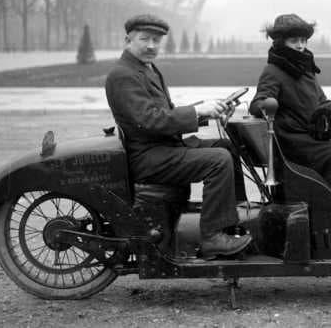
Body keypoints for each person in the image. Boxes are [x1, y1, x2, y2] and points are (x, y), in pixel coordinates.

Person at [105, 13, 251, 259]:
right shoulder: (123, 75)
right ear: (127, 40)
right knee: (218, 159)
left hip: (160, 148)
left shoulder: (145, 69)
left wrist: (207, 110)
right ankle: (213, 237)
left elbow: (166, 113)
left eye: (157, 40)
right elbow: (149, 121)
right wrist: (196, 111)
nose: (152, 45)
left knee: (225, 145)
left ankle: (233, 218)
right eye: (145, 39)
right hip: (148, 158)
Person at [248, 14, 331, 205]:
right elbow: (257, 104)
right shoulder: (273, 70)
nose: (300, 45)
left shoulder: (306, 67)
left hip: (309, 136)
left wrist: (329, 109)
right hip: (292, 140)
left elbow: (320, 98)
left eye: (303, 40)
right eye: (294, 40)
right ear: (281, 42)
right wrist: (268, 103)